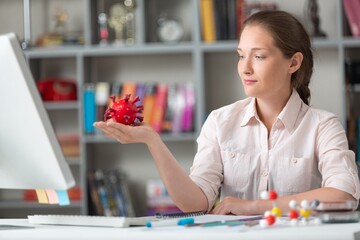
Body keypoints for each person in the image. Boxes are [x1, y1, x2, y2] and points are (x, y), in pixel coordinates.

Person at [94, 10, 360, 215]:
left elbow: (344, 195)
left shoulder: (323, 126)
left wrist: (255, 206)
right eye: (241, 55)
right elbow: (195, 203)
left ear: (293, 62)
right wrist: (152, 140)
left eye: (258, 56)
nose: (244, 68)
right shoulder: (220, 122)